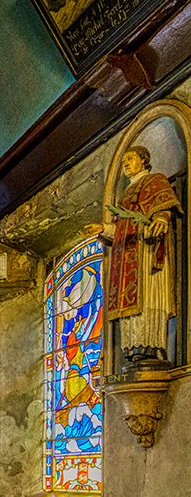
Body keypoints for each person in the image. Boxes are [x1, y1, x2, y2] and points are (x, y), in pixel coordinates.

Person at [82, 146, 180, 367]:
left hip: (146, 249)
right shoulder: (125, 193)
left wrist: (161, 220)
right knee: (128, 302)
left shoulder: (156, 180)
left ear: (144, 160)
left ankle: (151, 347)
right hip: (126, 254)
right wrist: (101, 228)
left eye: (131, 159)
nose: (126, 163)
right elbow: (120, 226)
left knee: (147, 297)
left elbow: (164, 207)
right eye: (124, 160)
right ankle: (133, 348)